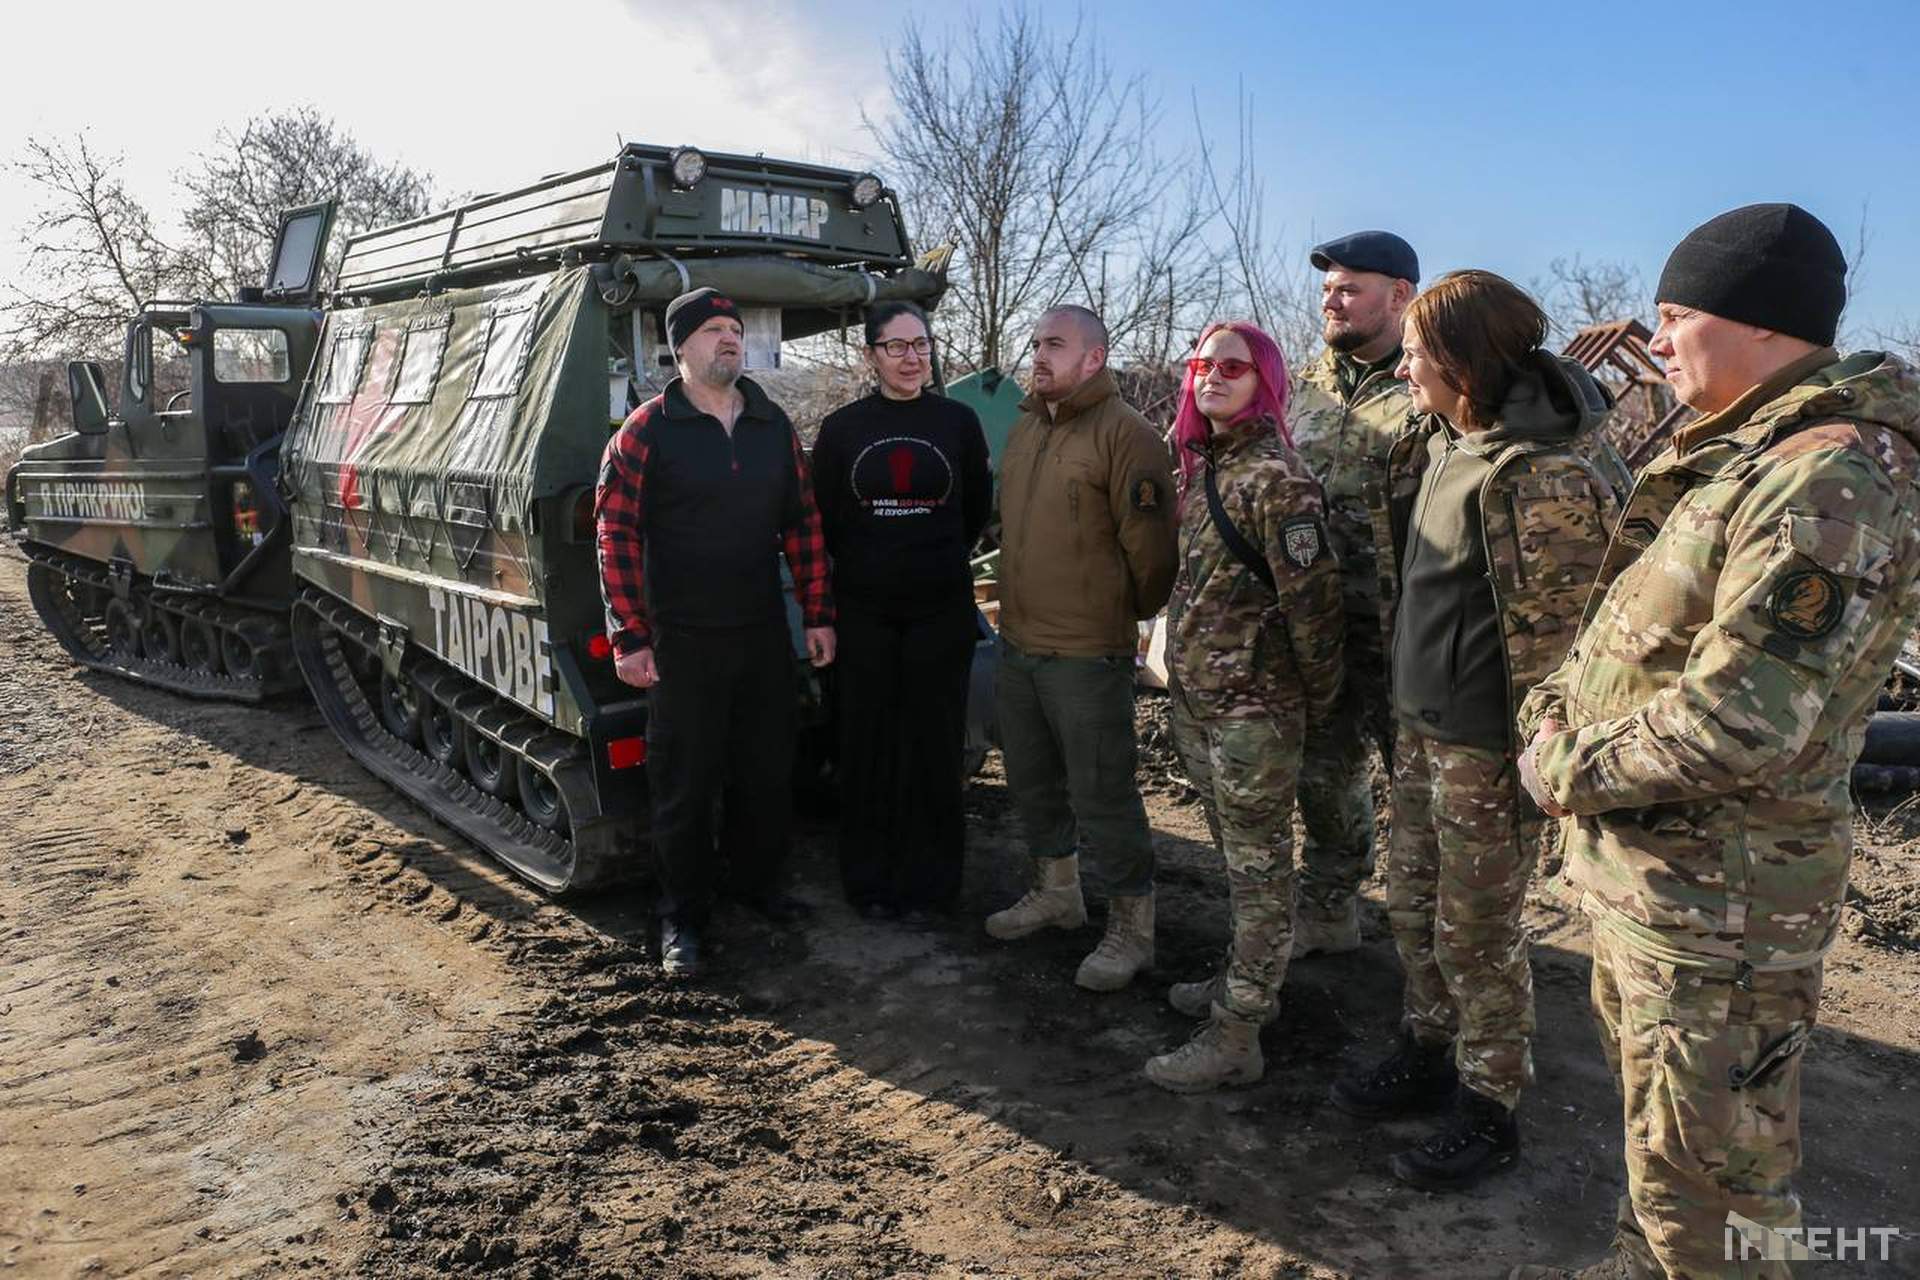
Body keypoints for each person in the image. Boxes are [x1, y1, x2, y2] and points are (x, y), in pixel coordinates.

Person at [1510, 206, 1920, 1279]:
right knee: (1667, 1158)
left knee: (1714, 1194)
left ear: (1760, 324)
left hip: (1721, 906)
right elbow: (1630, 629)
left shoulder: (1828, 476)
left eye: (1675, 314)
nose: (1658, 339)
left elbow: (1742, 718)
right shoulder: (1752, 451)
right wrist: (1557, 702)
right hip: (1663, 884)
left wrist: (1559, 766)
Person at [1328, 269, 1628, 1191]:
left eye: (1420, 352)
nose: (1406, 365)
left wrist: (1536, 762)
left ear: (1466, 361)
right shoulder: (1453, 442)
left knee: (1479, 930)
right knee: (1414, 905)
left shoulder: (1541, 476)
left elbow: (1563, 643)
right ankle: (1427, 1045)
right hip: (1421, 731)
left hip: (1488, 748)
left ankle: (1489, 1101)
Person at [595, 286, 836, 978]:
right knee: (686, 785)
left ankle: (758, 887)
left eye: (735, 329)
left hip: (762, 633)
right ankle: (683, 918)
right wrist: (630, 637)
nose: (730, 339)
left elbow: (805, 524)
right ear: (681, 348)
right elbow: (614, 536)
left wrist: (817, 616)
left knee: (766, 772)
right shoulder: (647, 430)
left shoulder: (770, 423)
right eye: (714, 331)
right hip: (682, 643)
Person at [1142, 321, 1344, 1092]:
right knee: (1239, 863)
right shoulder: (1203, 470)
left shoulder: (1278, 482)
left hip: (1254, 715)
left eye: (1233, 365)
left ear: (1265, 380)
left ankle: (1238, 1033)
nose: (1213, 375)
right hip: (1201, 705)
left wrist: (1314, 707)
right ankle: (1245, 986)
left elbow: (1315, 612)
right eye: (1201, 363)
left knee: (1262, 873)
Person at [984, 304, 1178, 992]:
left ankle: (1132, 930)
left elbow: (1153, 558)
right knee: (1032, 783)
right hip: (1021, 647)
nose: (1038, 354)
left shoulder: (1128, 435)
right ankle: (1057, 894)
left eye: (1055, 345)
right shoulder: (1026, 426)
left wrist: (1114, 618)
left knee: (1104, 794)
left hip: (1087, 654)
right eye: (1036, 342)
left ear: (1093, 358)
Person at [811, 302, 992, 918]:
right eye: (897, 347)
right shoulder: (842, 430)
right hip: (863, 613)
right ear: (871, 356)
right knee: (866, 748)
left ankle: (933, 886)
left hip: (941, 612)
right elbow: (828, 522)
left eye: (922, 344)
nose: (912, 358)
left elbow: (973, 512)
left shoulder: (960, 422)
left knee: (935, 750)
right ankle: (870, 884)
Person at [1283, 231, 1419, 955]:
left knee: (1423, 790)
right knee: (1324, 774)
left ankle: (1431, 932)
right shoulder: (1303, 385)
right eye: (1327, 291)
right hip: (1321, 623)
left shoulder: (1436, 387)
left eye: (1348, 289)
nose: (1331, 303)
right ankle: (1332, 904)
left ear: (1399, 296)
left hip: (1408, 631)